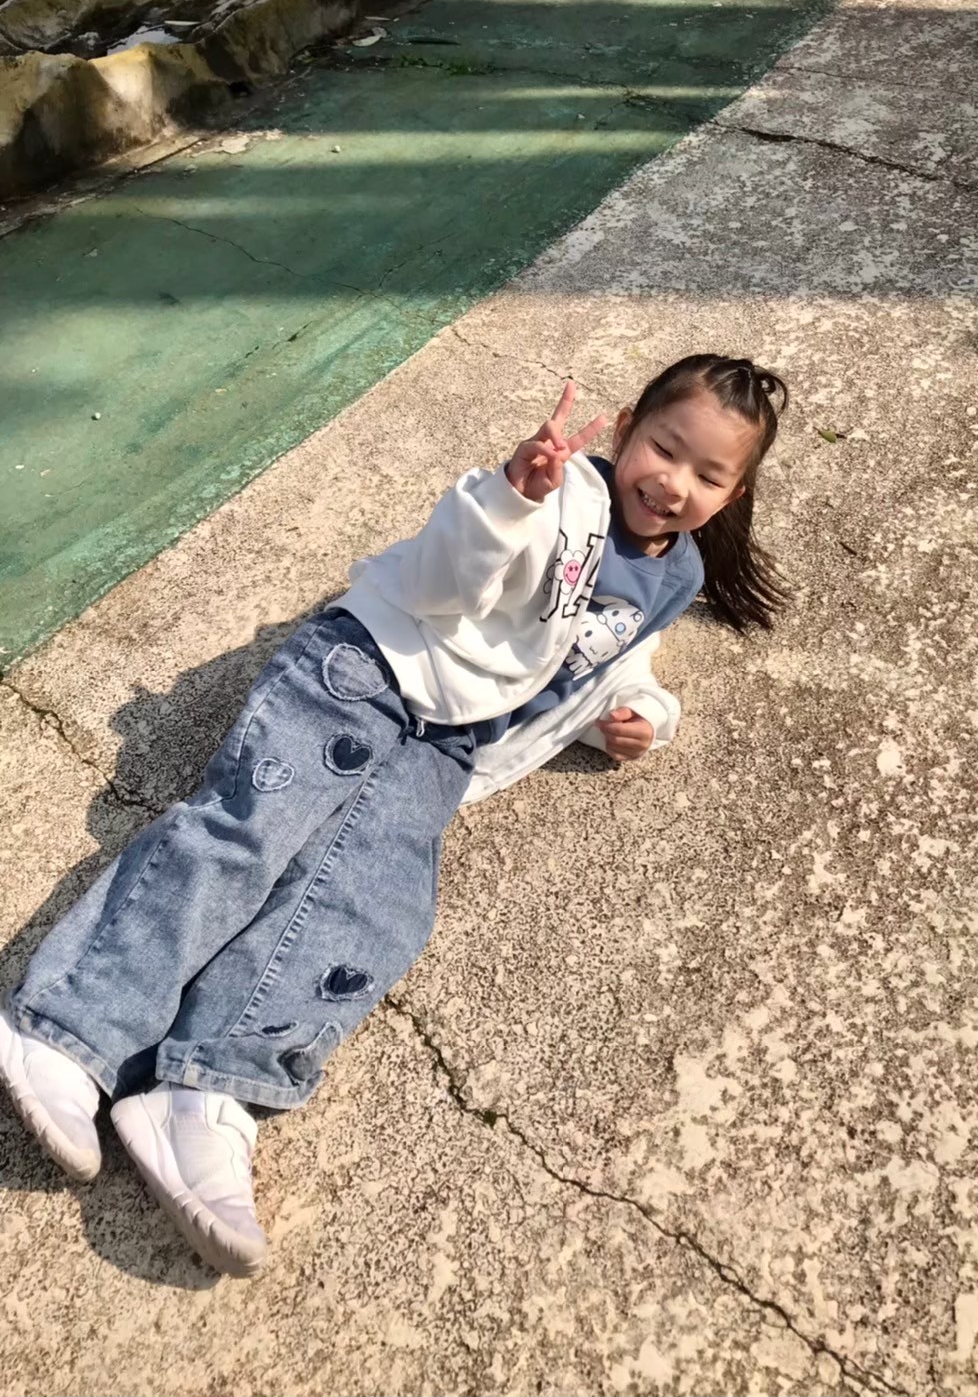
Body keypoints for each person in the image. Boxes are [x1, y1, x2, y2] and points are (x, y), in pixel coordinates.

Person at [0, 354, 787, 1277]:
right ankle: (68, 1027)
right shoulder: (563, 495)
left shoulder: (675, 576)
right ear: (624, 429)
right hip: (374, 666)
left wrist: (641, 713)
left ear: (733, 495)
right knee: (254, 830)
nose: (674, 483)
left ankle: (207, 1093)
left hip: (450, 743)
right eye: (664, 448)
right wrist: (510, 500)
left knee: (375, 905)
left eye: (708, 475)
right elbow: (442, 581)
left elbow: (605, 658)